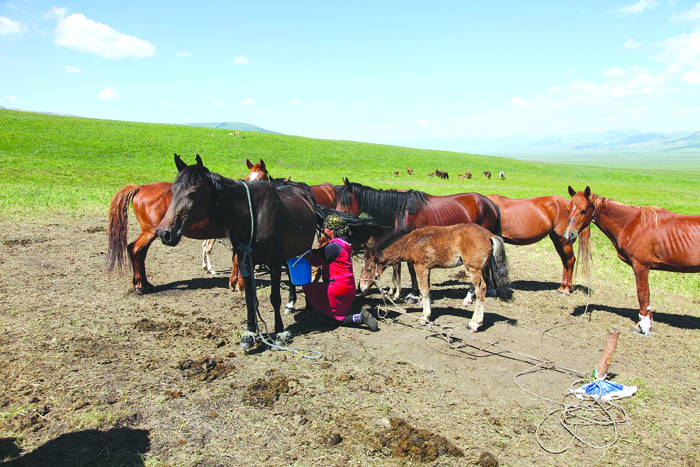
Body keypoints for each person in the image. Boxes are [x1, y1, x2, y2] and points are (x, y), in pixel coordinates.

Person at [301, 214, 379, 331]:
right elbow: (324, 252)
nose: (324, 230)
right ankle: (356, 317)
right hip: (348, 287)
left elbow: (316, 261)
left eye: (325, 228)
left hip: (337, 288)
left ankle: (328, 315)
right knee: (338, 317)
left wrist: (306, 255)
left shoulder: (333, 247)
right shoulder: (345, 244)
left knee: (309, 288)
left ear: (332, 230)